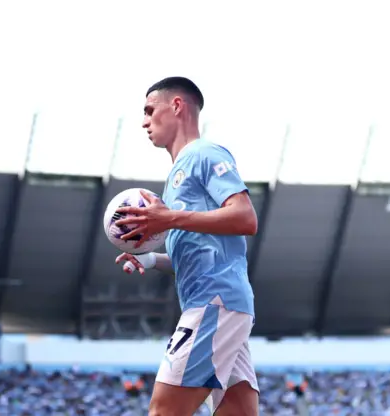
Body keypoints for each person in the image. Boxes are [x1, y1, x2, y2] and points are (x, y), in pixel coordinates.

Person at [113, 77, 260, 416]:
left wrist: (171, 218)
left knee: (164, 412)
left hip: (213, 303)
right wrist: (151, 260)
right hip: (225, 304)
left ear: (176, 106)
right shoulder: (177, 178)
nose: (144, 121)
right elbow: (199, 251)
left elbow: (244, 217)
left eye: (150, 110)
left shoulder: (204, 153)